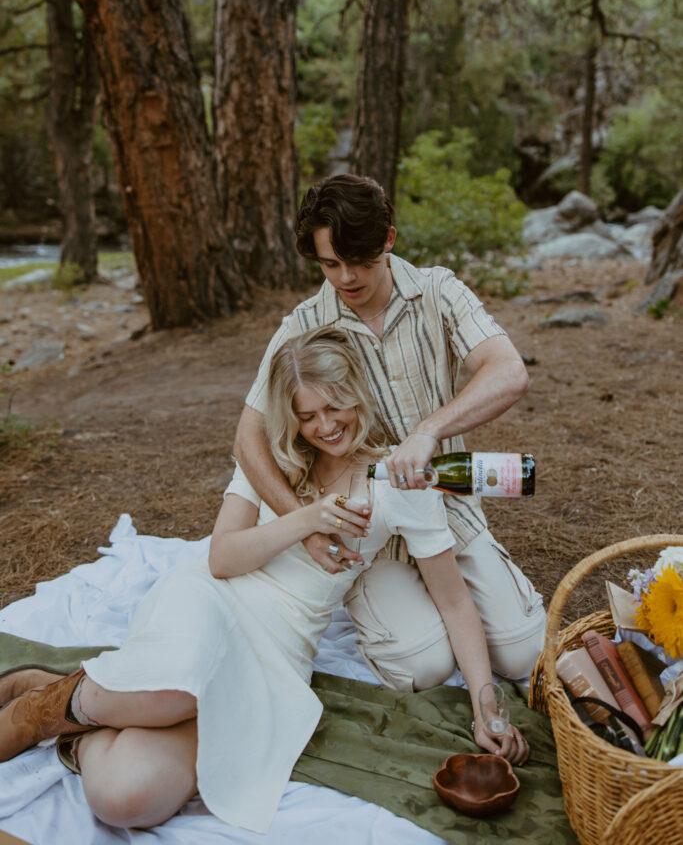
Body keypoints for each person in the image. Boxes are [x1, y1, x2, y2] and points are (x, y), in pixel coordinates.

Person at [0, 329, 528, 831]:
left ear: (358, 396)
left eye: (335, 406)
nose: (325, 425)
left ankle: (70, 702)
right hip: (210, 605)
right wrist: (307, 519)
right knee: (173, 692)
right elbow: (222, 559)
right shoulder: (267, 461)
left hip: (277, 649)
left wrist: (488, 707)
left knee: (126, 798)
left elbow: (456, 605)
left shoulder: (399, 480)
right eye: (308, 415)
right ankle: (34, 714)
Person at [235, 173, 545, 690]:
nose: (346, 277)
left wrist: (430, 430)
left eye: (362, 261)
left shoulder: (438, 291)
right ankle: (401, 606)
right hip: (368, 532)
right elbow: (247, 437)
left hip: (449, 503)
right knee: (424, 667)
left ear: (389, 240)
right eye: (330, 264)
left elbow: (509, 372)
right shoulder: (303, 324)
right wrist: (305, 523)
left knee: (522, 655)